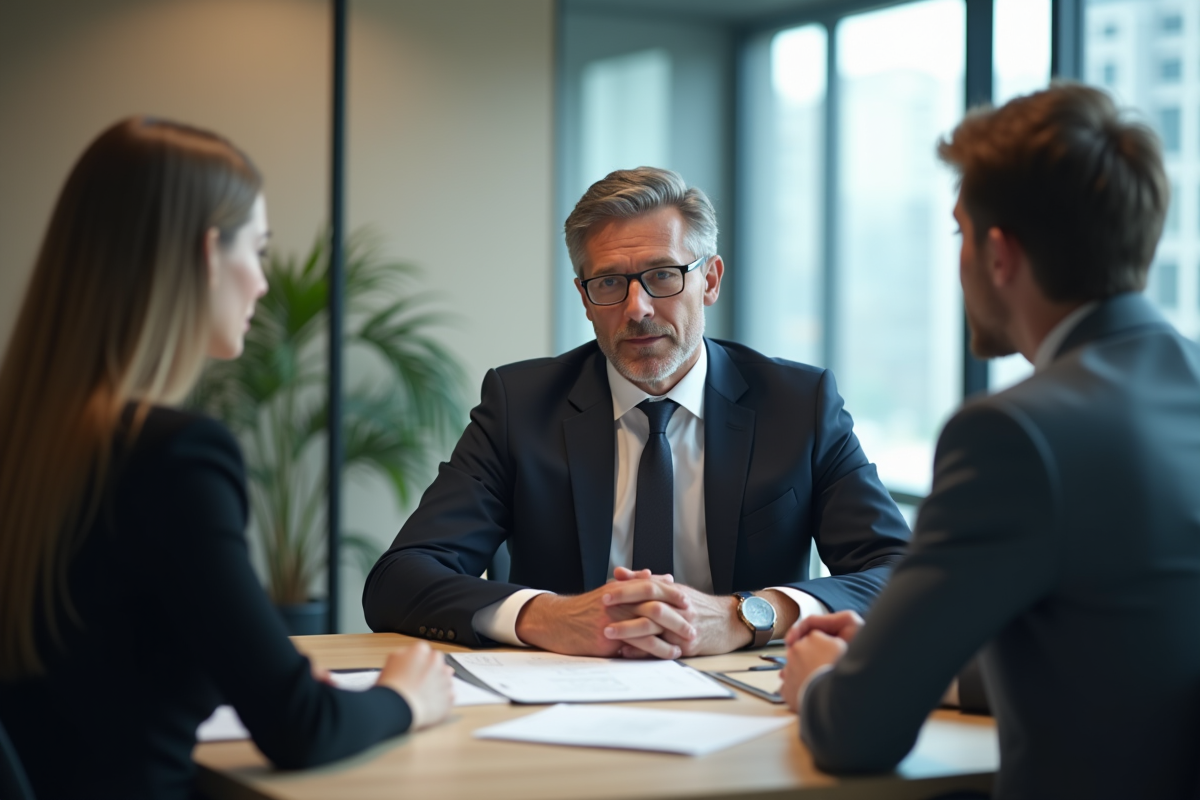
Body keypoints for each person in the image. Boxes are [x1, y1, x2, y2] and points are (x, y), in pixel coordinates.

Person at [0, 118, 454, 800]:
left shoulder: (28, 442)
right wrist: (405, 697)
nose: (265, 285)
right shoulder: (171, 457)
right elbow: (301, 731)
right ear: (208, 254)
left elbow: (103, 662)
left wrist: (262, 668)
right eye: (260, 251)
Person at [780, 83, 1200, 799]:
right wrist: (907, 661)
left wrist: (821, 678)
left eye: (959, 233)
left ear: (999, 254)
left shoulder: (1013, 433)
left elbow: (857, 735)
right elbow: (1125, 645)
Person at [363, 167, 910, 659]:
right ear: (584, 298)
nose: (637, 308)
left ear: (710, 280)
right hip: (563, 699)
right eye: (609, 283)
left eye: (663, 275)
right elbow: (399, 578)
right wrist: (549, 616)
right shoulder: (521, 405)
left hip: (749, 699)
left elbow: (897, 573)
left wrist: (745, 615)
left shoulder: (797, 404)